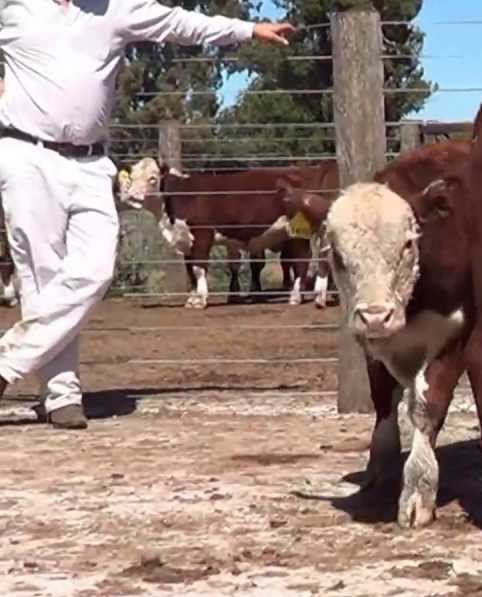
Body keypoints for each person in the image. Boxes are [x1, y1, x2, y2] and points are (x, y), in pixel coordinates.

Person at [0, 1, 293, 429]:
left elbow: (180, 23)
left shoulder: (116, 8)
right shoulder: (15, 6)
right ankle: (61, 395)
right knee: (43, 279)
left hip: (91, 162)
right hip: (27, 154)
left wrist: (247, 30)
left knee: (96, 270)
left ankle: (6, 363)